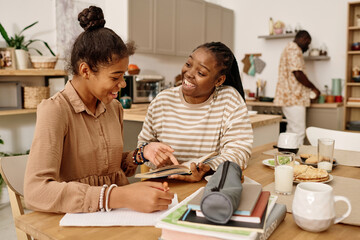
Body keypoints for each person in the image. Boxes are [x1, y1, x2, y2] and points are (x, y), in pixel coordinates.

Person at [24, 6, 176, 214]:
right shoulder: (56, 111)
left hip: (116, 215)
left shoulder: (113, 108)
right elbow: (36, 191)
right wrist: (118, 196)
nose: (122, 84)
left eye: (123, 76)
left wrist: (141, 154)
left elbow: (108, 168)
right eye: (115, 77)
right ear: (85, 70)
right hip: (75, 220)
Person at [137, 42, 254, 182]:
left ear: (219, 80)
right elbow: (143, 146)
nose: (189, 74)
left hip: (207, 184)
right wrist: (155, 156)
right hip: (165, 185)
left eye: (201, 73)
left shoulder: (229, 100)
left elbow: (239, 152)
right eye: (188, 64)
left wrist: (207, 169)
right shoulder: (162, 101)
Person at [274, 30, 320, 145]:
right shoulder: (294, 48)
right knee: (298, 132)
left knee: (291, 132)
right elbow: (298, 73)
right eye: (308, 43)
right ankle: (296, 161)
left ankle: (287, 159)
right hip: (294, 97)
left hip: (290, 97)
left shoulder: (289, 48)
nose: (308, 47)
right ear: (303, 39)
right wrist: (314, 88)